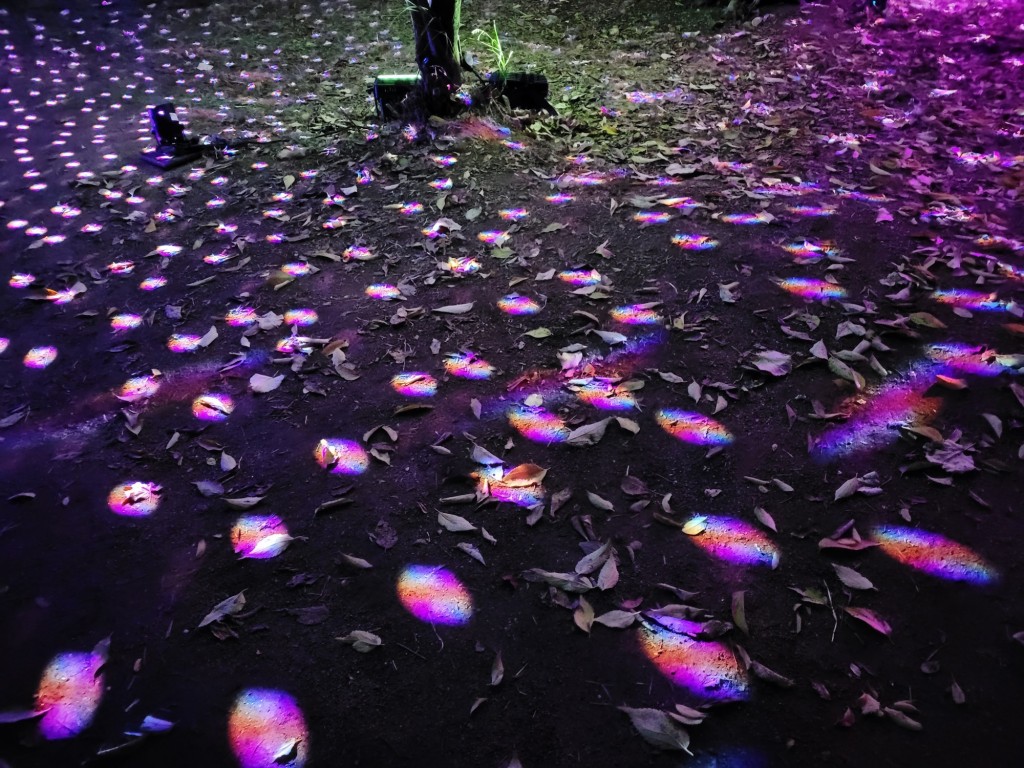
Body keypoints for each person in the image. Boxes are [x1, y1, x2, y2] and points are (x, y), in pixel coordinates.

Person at [409, 0, 462, 116]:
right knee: (421, 21)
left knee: (443, 25)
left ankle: (446, 93)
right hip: (433, 67)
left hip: (445, 66)